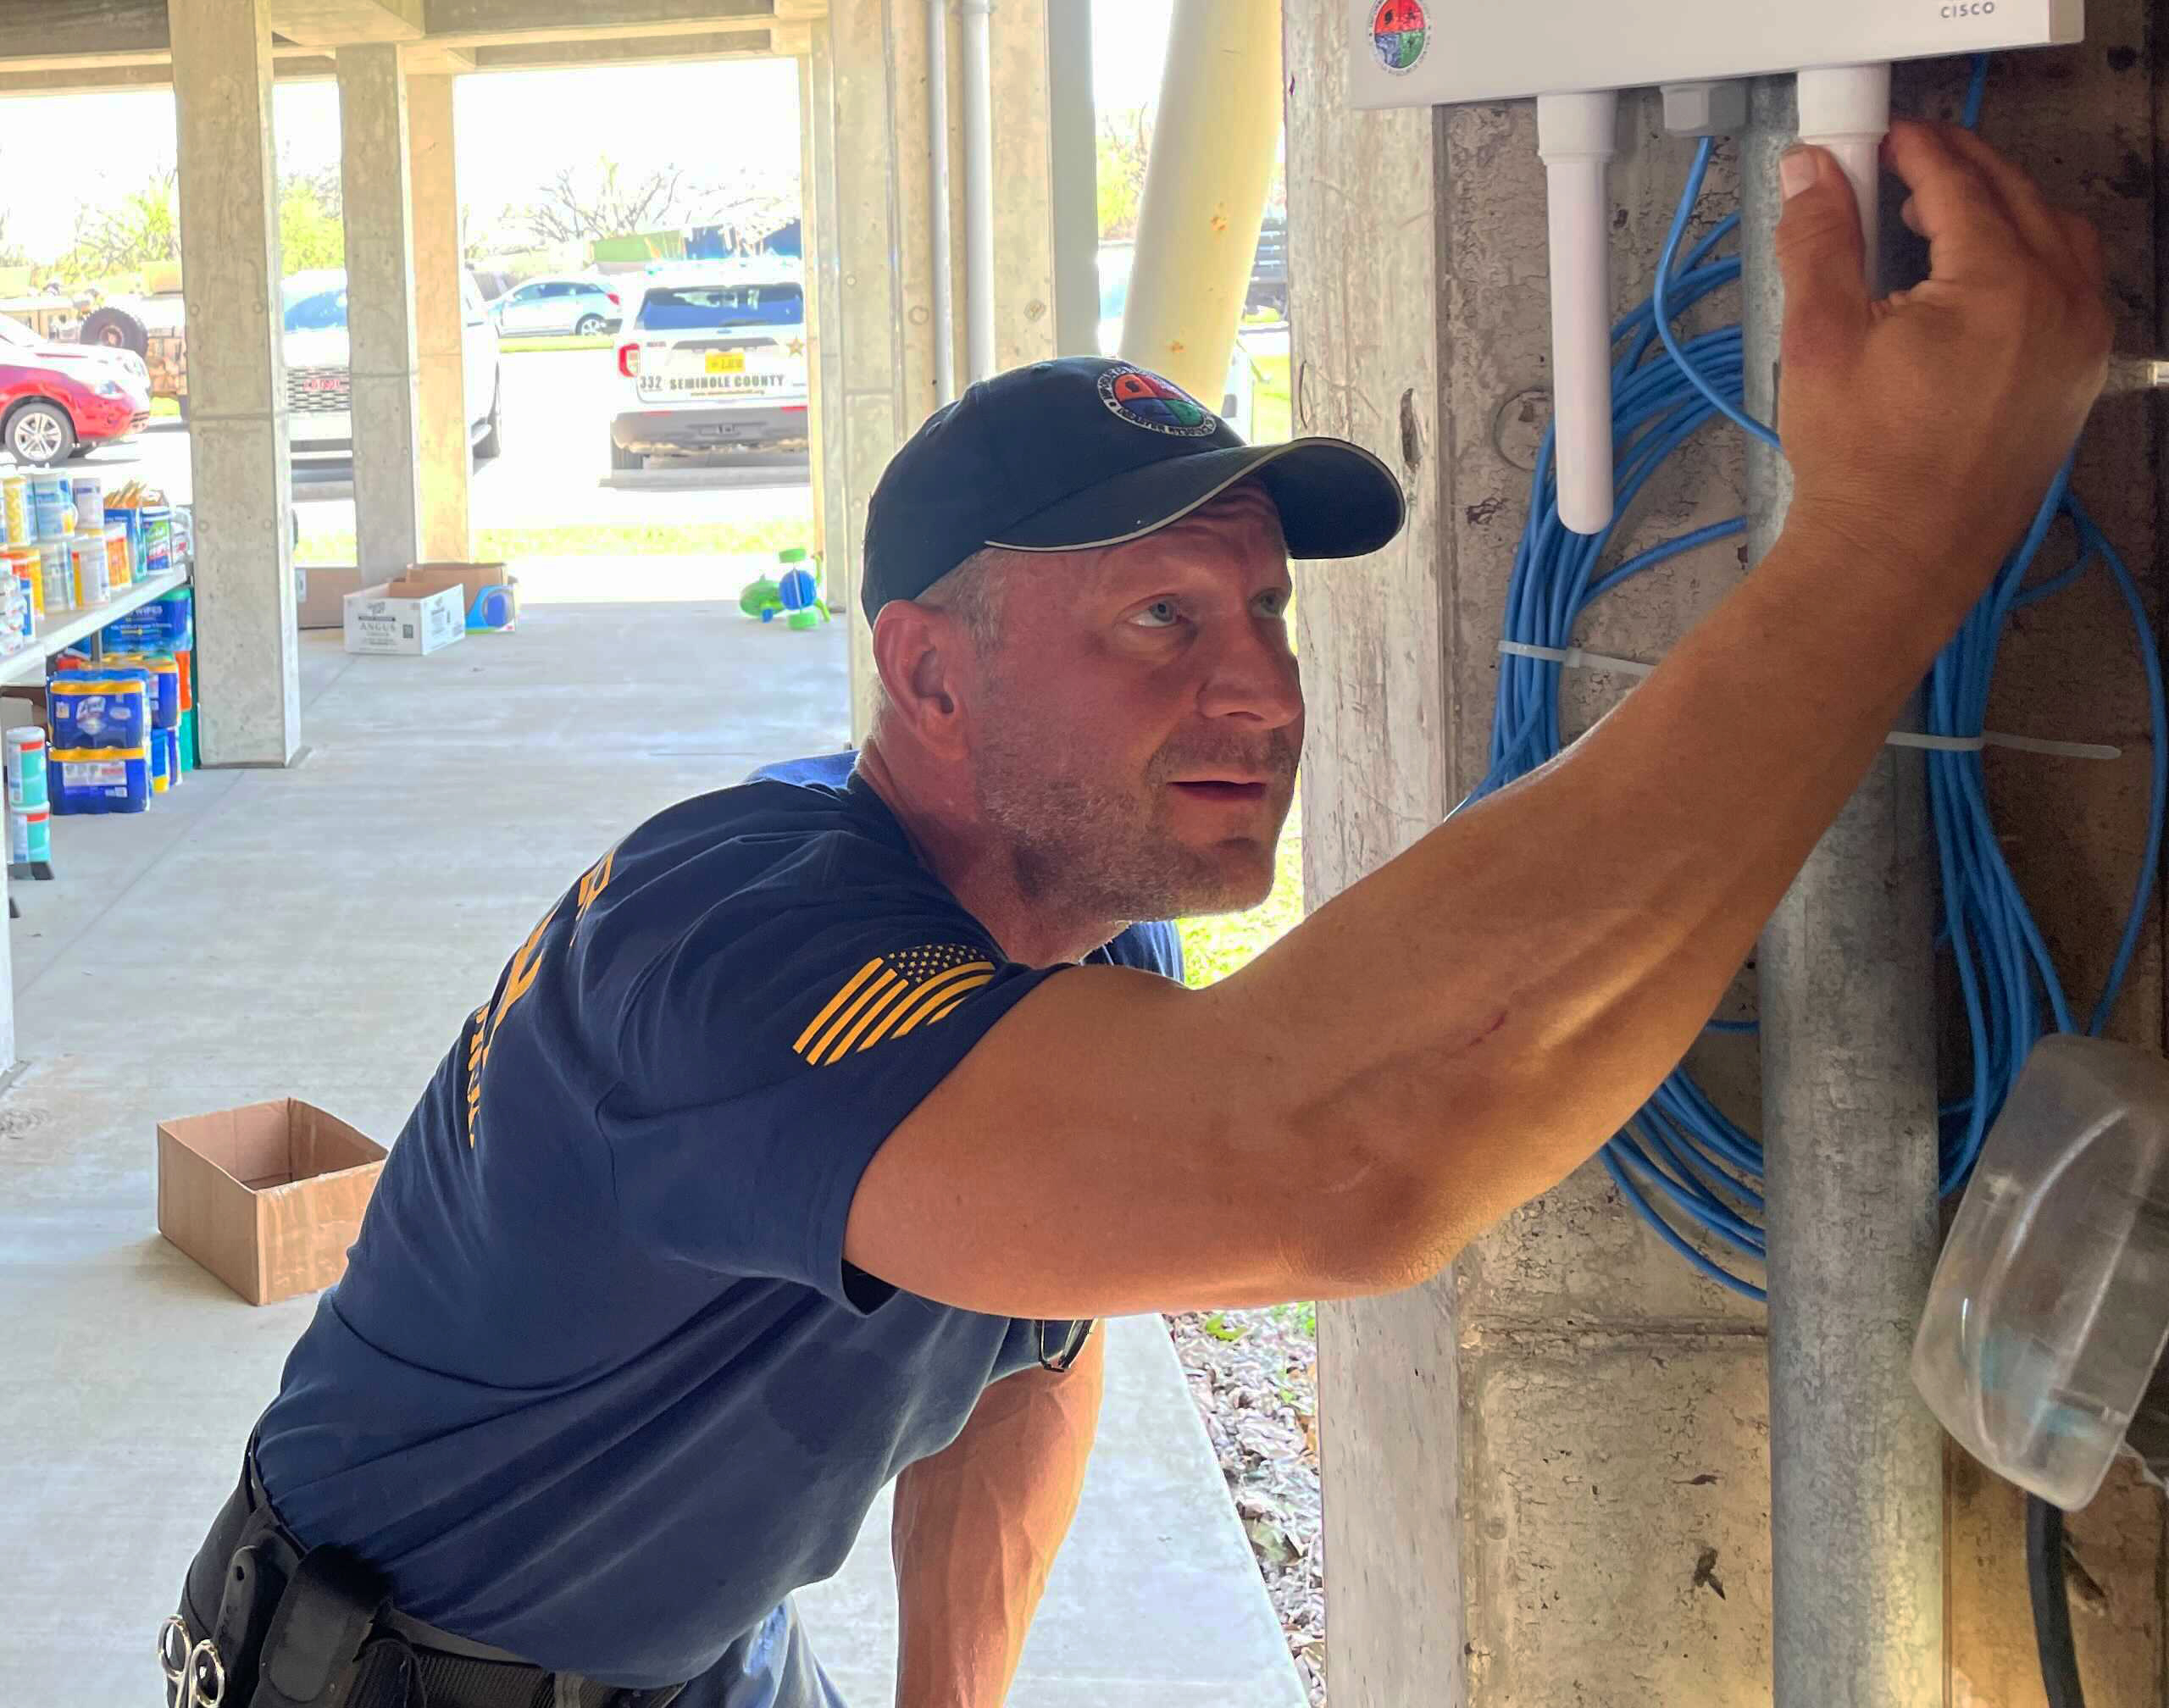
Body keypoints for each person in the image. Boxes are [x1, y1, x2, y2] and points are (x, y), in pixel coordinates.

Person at [164, 120, 2111, 1708]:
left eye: (1263, 610)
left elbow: (1051, 1325)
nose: (1262, 689)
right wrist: (1889, 540)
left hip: (702, 1665)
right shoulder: (726, 949)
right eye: (1161, 621)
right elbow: (1350, 1160)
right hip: (384, 1684)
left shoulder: (1093, 944)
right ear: (927, 677)